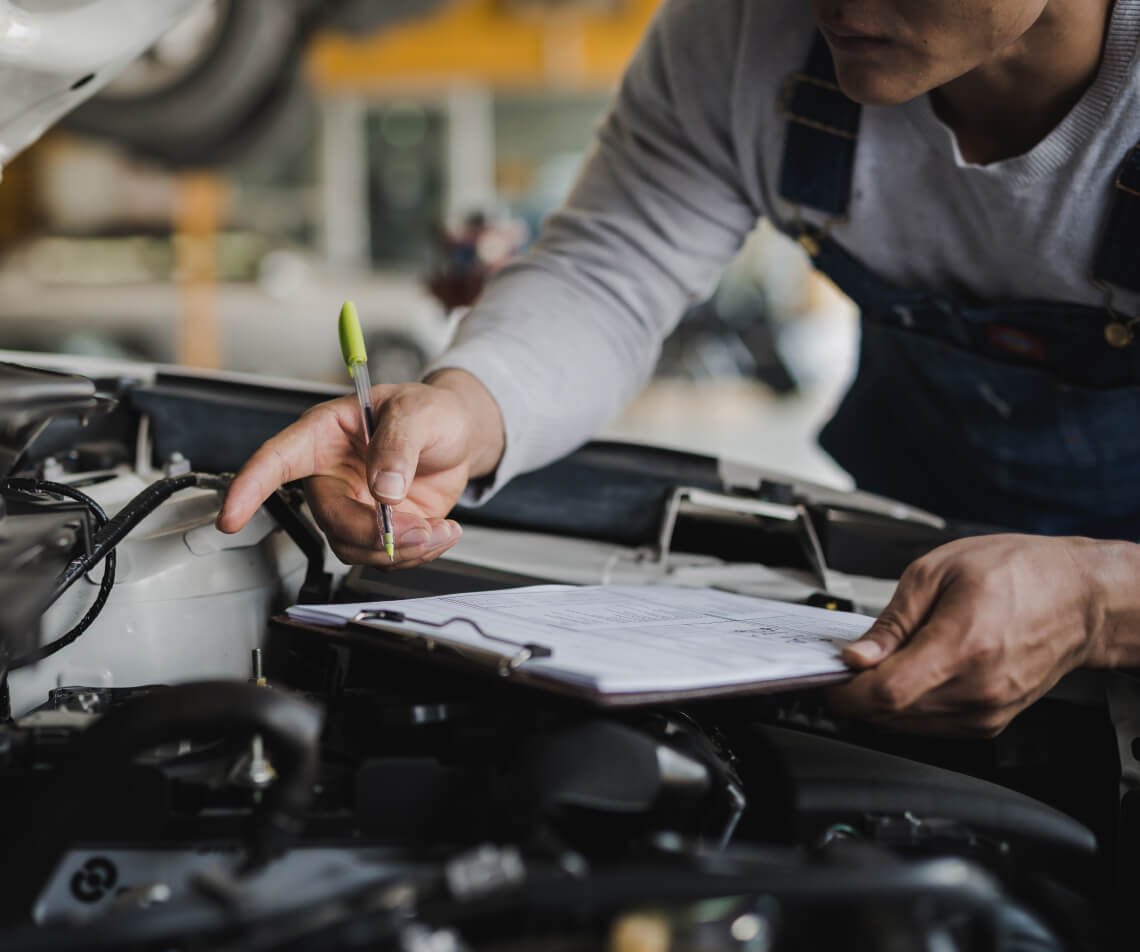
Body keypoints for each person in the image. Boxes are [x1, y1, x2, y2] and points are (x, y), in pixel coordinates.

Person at [218, 0, 1140, 736]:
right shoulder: (745, 31)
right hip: (911, 547)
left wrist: (1100, 603)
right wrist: (467, 406)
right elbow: (611, 273)